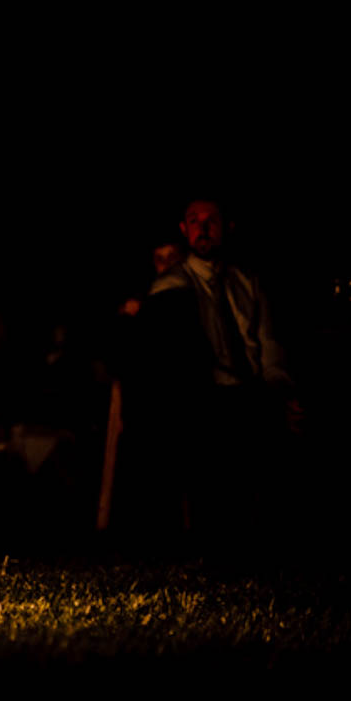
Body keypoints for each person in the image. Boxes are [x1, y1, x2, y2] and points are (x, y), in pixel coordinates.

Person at [130, 198, 301, 537]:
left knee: (282, 421)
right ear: (184, 230)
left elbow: (269, 346)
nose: (203, 229)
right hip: (207, 400)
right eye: (195, 221)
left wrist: (280, 391)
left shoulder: (247, 282)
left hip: (252, 393)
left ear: (227, 227)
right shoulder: (171, 287)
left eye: (211, 221)